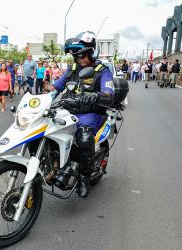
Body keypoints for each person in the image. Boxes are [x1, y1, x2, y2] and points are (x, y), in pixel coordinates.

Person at [49, 31, 114, 198]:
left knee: (84, 137)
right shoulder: (72, 69)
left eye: (82, 54)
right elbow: (56, 87)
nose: (79, 58)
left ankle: (84, 178)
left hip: (90, 113)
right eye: (76, 55)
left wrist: (96, 95)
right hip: (68, 110)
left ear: (92, 52)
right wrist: (42, 96)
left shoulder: (102, 71)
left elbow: (109, 93)